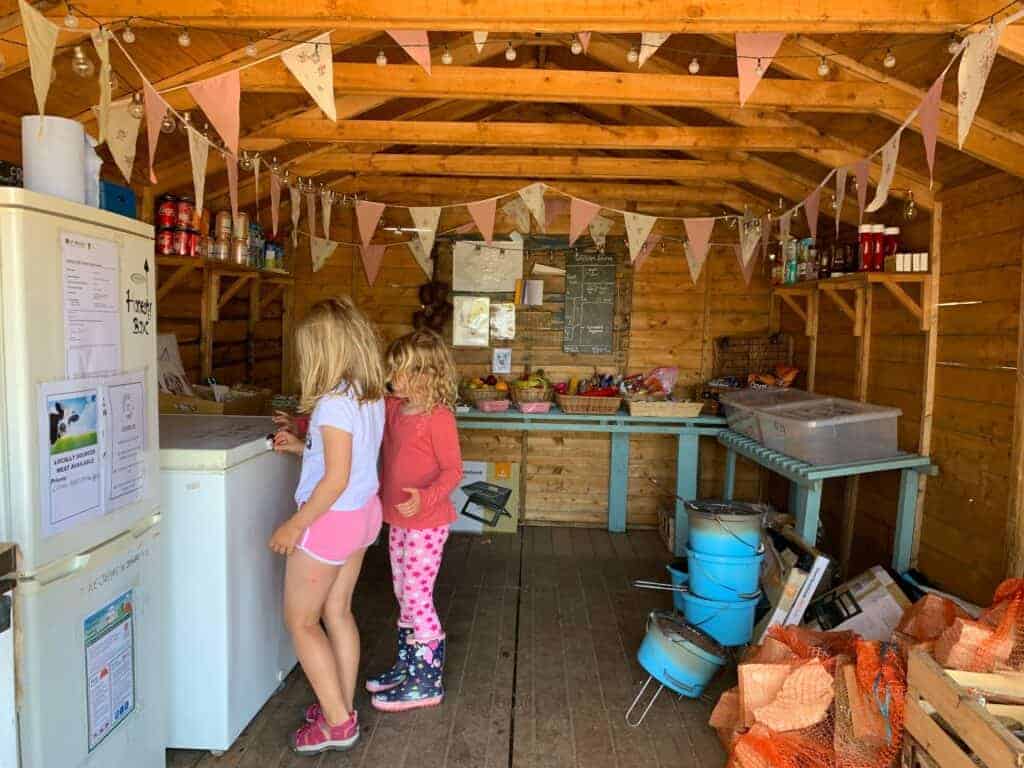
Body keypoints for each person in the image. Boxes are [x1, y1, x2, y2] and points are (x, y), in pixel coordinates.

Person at [269, 297, 386, 755]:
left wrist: (295, 525)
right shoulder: (365, 394)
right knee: (337, 613)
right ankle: (342, 706)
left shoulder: (333, 404)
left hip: (329, 522)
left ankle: (337, 723)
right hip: (362, 515)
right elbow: (346, 465)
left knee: (301, 621)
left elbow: (335, 478)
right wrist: (304, 449)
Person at [368, 329, 463, 712]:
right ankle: (409, 666)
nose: (393, 378)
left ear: (427, 374)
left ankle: (427, 680)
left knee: (417, 596)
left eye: (402, 371)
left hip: (428, 522)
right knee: (402, 593)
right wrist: (302, 425)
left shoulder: (437, 418)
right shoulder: (393, 408)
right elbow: (354, 424)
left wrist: (425, 497)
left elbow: (453, 470)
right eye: (392, 370)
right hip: (400, 521)